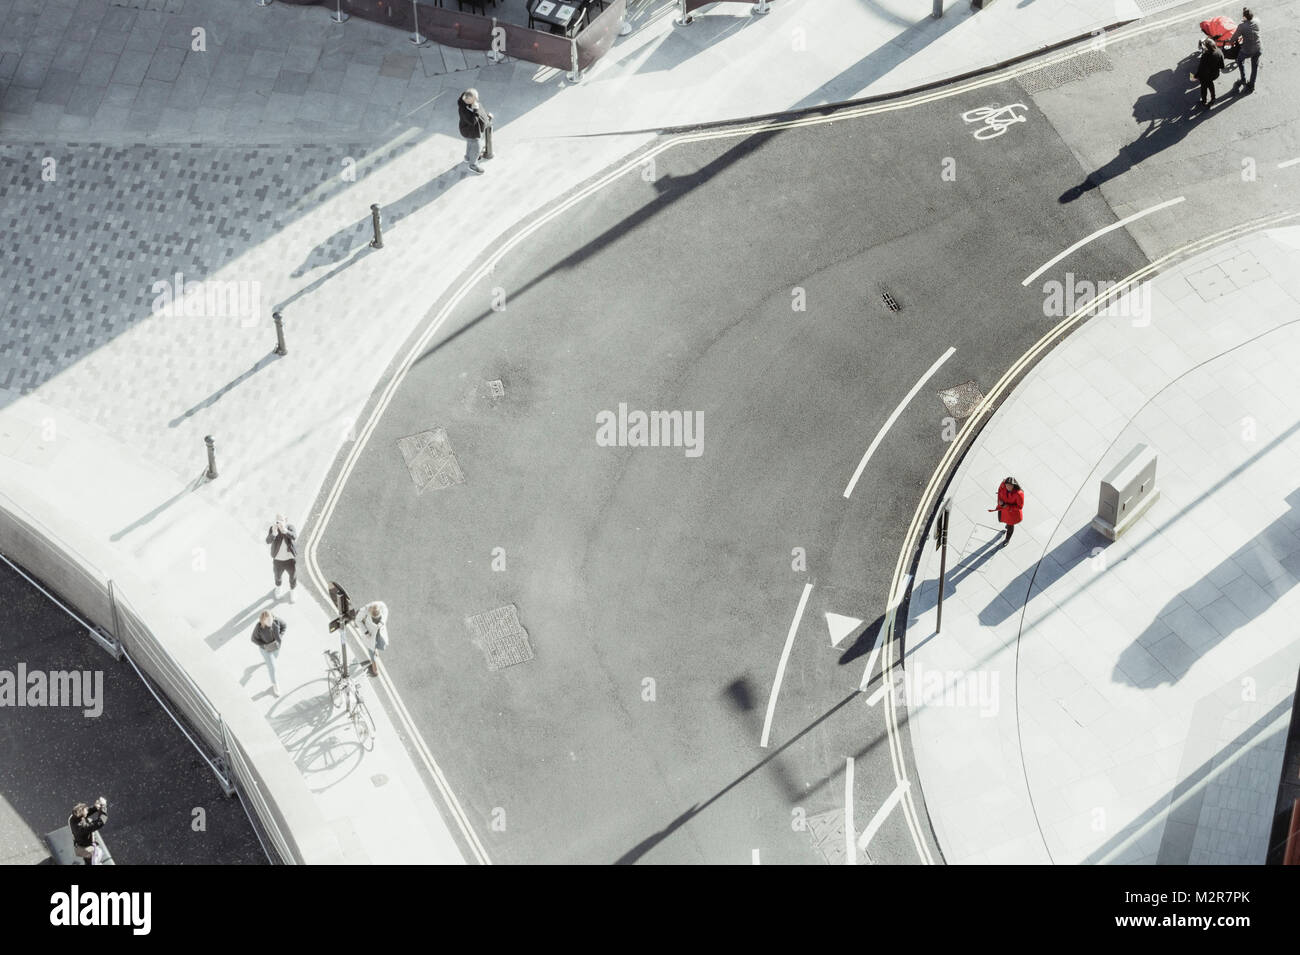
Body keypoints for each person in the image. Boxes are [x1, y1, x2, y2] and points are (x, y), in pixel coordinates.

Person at [251, 610, 287, 697]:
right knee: (272, 667)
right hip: (266, 650)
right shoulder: (259, 627)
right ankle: (275, 684)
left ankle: (268, 661)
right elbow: (253, 639)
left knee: (274, 658)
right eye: (267, 621)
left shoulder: (276, 621)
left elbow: (284, 626)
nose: (270, 622)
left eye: (270, 619)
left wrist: (280, 636)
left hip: (276, 646)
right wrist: (263, 646)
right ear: (263, 621)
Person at [458, 89, 493, 175]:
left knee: (470, 143)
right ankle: (472, 165)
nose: (476, 100)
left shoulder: (465, 99)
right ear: (468, 99)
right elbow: (472, 121)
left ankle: (468, 157)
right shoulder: (463, 110)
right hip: (471, 132)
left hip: (467, 131)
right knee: (477, 147)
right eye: (474, 99)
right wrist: (475, 110)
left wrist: (485, 115)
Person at [266, 514, 298, 602]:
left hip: (290, 560)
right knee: (277, 576)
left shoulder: (290, 527)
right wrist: (274, 534)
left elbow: (294, 536)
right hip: (277, 561)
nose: (279, 522)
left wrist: (285, 531)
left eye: (282, 520)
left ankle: (293, 591)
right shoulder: (273, 528)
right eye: (278, 520)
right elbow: (268, 541)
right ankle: (278, 588)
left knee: (293, 577)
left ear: (286, 520)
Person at [68, 797, 108, 865]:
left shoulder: (72, 818)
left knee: (87, 859)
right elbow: (100, 822)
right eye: (86, 810)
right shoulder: (83, 828)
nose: (87, 810)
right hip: (88, 849)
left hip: (81, 846)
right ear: (82, 815)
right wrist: (103, 806)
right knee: (92, 861)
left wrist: (95, 808)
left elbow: (84, 814)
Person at [1230, 7, 1261, 91]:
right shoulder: (1256, 22)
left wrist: (1229, 40)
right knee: (1254, 67)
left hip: (1247, 50)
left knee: (1239, 60)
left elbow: (1233, 38)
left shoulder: (1242, 26)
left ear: (1244, 17)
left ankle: (1243, 79)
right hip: (1258, 48)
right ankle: (1251, 85)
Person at [356, 601, 389, 677]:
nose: (375, 620)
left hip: (379, 631)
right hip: (370, 633)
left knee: (378, 643)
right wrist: (366, 632)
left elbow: (386, 612)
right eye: (373, 618)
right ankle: (375, 669)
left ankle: (375, 650)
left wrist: (382, 622)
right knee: (371, 649)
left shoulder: (382, 606)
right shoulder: (364, 610)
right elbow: (357, 620)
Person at [1193, 37, 1225, 107]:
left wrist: (1196, 76)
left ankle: (1204, 100)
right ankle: (1213, 98)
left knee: (1204, 87)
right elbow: (1222, 66)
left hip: (1206, 76)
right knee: (1210, 84)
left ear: (1207, 48)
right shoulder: (1219, 51)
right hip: (1215, 74)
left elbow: (1201, 68)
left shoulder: (1205, 56)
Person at [993, 477, 1024, 546]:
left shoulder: (1019, 493)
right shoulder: (1003, 486)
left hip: (1012, 513)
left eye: (1010, 485)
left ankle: (1007, 539)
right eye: (1007, 485)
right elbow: (1000, 490)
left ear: (1014, 485)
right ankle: (1007, 524)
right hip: (1003, 510)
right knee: (1003, 520)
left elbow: (1019, 507)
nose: (1008, 487)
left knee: (1010, 526)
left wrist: (1005, 505)